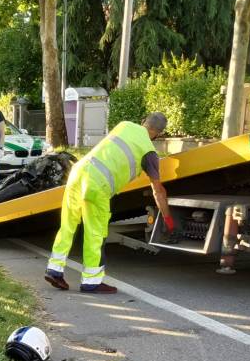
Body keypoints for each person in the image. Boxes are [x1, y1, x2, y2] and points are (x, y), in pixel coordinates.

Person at [44, 112, 175, 294]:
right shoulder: (149, 153)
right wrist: (168, 220)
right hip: (97, 185)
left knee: (68, 224)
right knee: (95, 233)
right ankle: (91, 282)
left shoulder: (125, 124)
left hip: (77, 173)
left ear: (143, 120)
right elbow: (158, 191)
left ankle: (54, 270)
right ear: (158, 134)